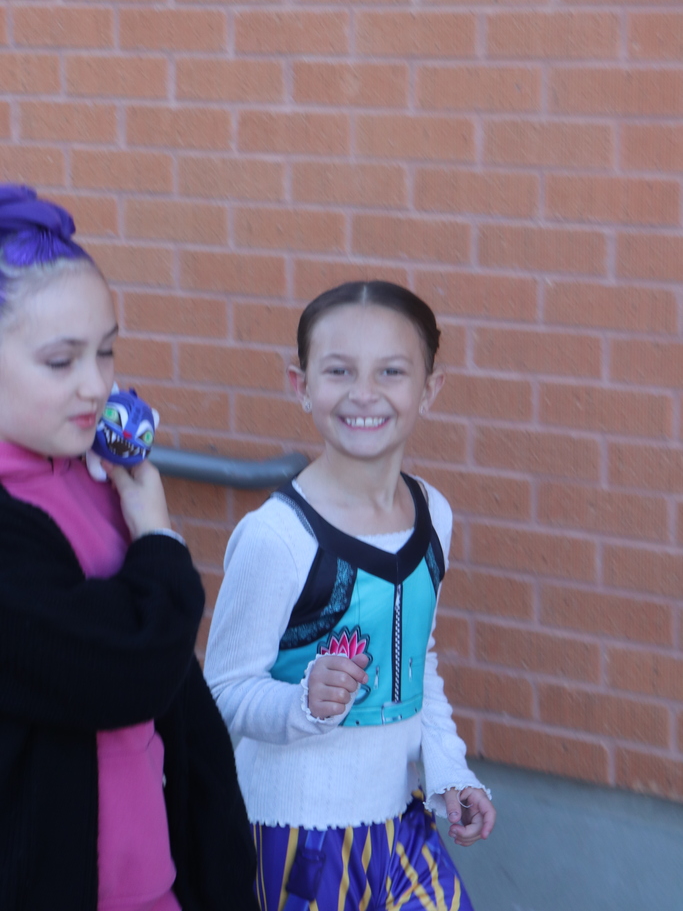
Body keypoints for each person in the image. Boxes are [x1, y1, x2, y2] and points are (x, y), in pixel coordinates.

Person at [0, 185, 258, 911]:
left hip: (154, 879)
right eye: (61, 361)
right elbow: (125, 666)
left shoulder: (87, 474)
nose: (97, 385)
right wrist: (158, 540)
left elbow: (172, 688)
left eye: (106, 350)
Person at [205, 280, 496, 911]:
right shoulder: (276, 537)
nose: (364, 393)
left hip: (402, 821)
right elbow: (223, 690)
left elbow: (419, 661)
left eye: (391, 371)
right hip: (296, 837)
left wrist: (448, 770)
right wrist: (302, 704)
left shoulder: (434, 513)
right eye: (339, 371)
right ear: (301, 385)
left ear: (429, 390)